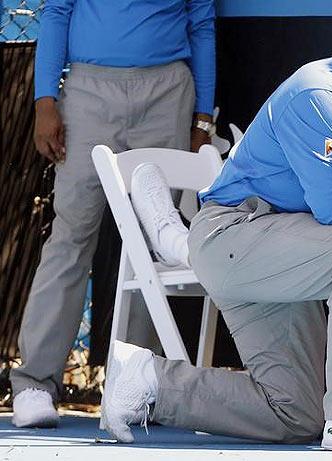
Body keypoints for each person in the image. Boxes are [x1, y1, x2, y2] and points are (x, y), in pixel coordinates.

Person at [100, 8, 332, 452]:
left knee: (298, 413)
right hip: (234, 234)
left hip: (280, 256)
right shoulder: (320, 93)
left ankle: (145, 381)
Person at [11, 0, 216, 429]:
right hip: (88, 90)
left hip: (167, 94)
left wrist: (202, 121)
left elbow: (201, 24)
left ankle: (135, 388)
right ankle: (33, 383)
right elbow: (57, 12)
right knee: (71, 235)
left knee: (150, 246)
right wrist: (44, 99)